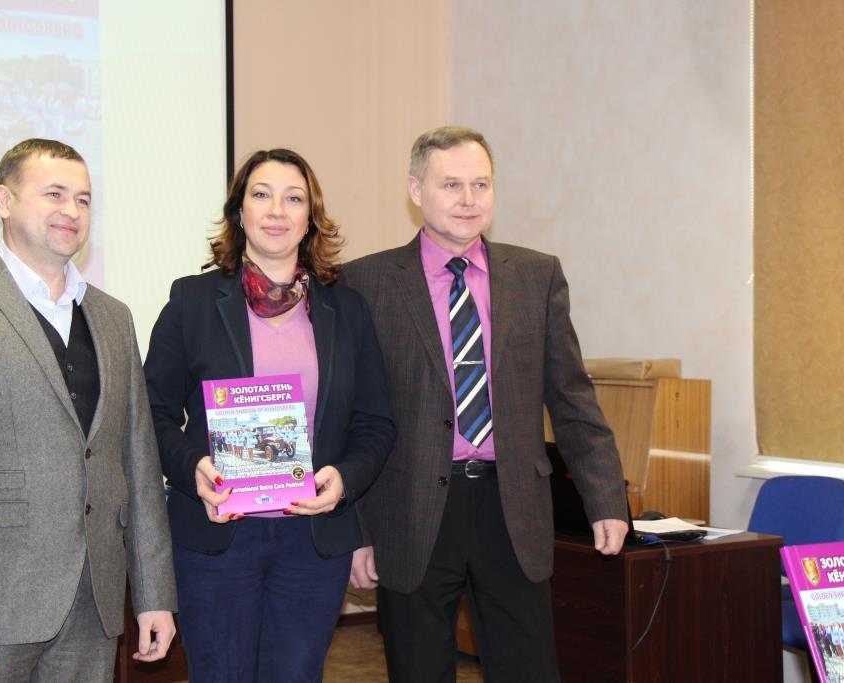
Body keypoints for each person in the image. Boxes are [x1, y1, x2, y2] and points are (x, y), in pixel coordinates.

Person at [341, 126, 629, 682]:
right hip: (409, 515)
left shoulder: (536, 276)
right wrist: (356, 532)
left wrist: (607, 499)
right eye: (451, 184)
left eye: (481, 184)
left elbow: (572, 397)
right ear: (416, 190)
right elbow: (350, 418)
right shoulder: (365, 282)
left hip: (513, 508)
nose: (469, 199)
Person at [0, 138, 177, 683]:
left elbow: (138, 464)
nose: (72, 210)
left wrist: (153, 594)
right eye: (54, 194)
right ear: (5, 201)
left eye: (84, 199)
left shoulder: (113, 317)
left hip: (94, 603)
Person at [143, 148, 395, 682]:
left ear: (310, 218)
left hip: (313, 542)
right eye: (262, 195)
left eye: (293, 198)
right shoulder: (191, 302)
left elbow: (375, 422)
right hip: (218, 536)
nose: (277, 210)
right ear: (240, 212)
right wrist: (193, 468)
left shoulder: (347, 309)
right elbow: (152, 413)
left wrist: (345, 479)